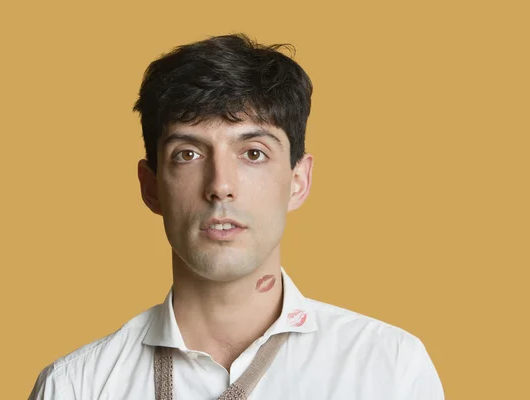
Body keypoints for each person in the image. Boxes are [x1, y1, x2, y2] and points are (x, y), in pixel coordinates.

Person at [28, 33, 444, 399]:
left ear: (298, 181)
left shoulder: (389, 370)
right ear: (151, 185)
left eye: (253, 154)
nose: (221, 185)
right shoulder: (76, 387)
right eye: (187, 154)